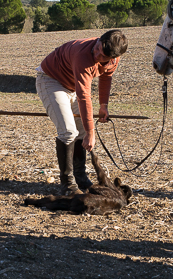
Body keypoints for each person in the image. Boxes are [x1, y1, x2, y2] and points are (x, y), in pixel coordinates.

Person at [36, 29, 128, 195]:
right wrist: (91, 133)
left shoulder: (113, 59)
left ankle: (80, 177)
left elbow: (106, 77)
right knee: (68, 131)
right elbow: (84, 95)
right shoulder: (83, 55)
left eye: (102, 56)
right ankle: (68, 184)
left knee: (82, 129)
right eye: (98, 47)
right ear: (99, 39)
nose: (96, 54)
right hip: (51, 80)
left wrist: (104, 105)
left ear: (112, 58)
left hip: (72, 86)